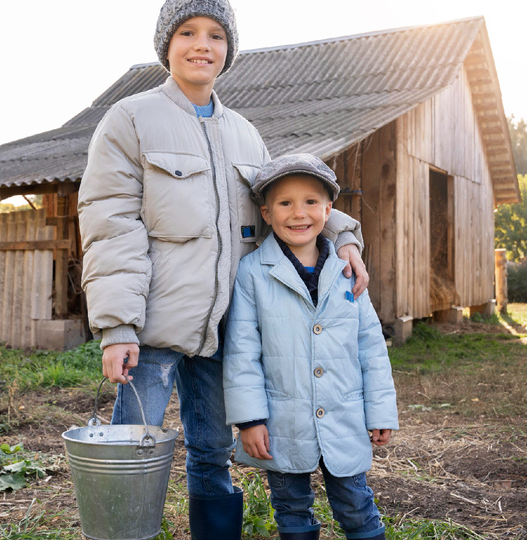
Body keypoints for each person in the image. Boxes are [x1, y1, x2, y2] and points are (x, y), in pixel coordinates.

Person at [77, 1, 370, 537]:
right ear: (166, 44)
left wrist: (343, 235)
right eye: (187, 32)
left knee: (211, 450)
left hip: (223, 327)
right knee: (131, 447)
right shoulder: (131, 119)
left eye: (215, 35)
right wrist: (117, 326)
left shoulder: (243, 133)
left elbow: (287, 199)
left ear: (228, 49)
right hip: (152, 324)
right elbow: (110, 225)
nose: (201, 45)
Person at [223, 154, 397, 540]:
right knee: (290, 509)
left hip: (344, 416)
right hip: (283, 424)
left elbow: (371, 347)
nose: (298, 214)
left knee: (356, 504)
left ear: (329, 210)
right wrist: (250, 420)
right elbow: (242, 353)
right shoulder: (253, 273)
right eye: (285, 203)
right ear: (266, 213)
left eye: (310, 202)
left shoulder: (348, 270)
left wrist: (380, 410)